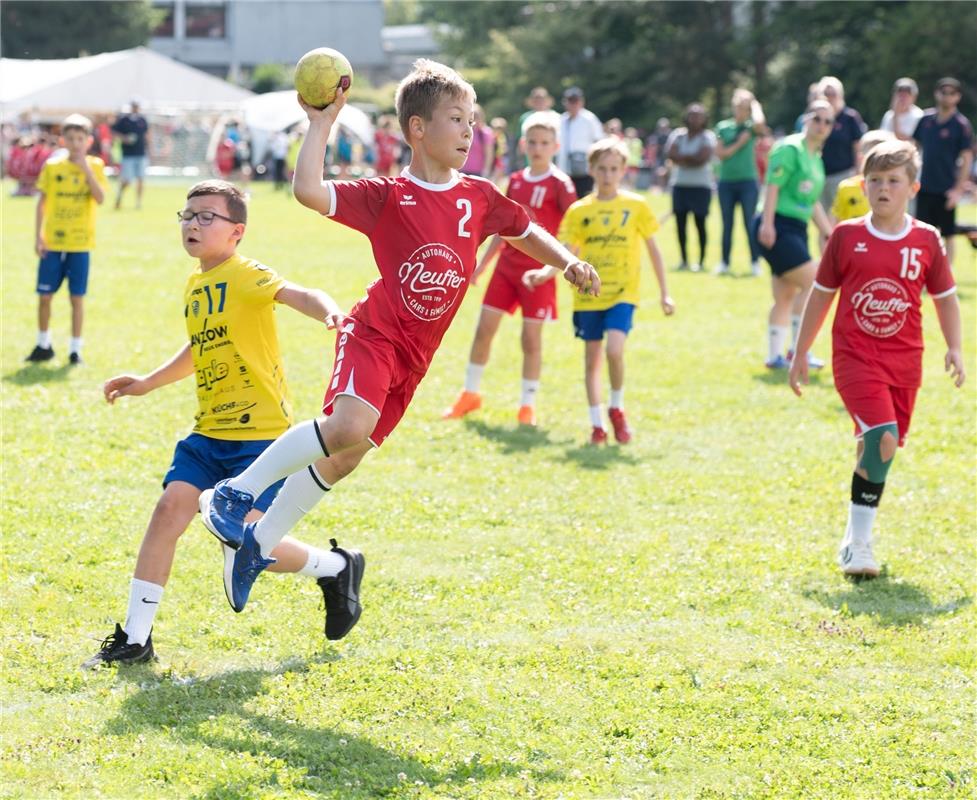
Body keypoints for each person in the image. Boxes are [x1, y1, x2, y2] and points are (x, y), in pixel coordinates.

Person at [200, 60, 600, 616]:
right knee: (347, 426)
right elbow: (310, 191)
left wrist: (567, 261)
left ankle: (257, 548)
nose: (468, 131)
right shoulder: (389, 195)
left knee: (346, 456)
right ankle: (234, 491)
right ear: (417, 129)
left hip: (417, 354)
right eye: (456, 119)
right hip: (375, 333)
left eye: (472, 120)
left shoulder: (478, 197)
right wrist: (322, 125)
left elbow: (524, 230)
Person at [81, 180, 352, 667]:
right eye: (187, 215)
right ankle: (136, 639)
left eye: (207, 217)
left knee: (250, 539)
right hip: (207, 433)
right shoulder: (196, 284)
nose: (192, 224)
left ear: (236, 232)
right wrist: (147, 382)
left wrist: (331, 313)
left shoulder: (246, 274)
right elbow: (199, 349)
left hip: (259, 436)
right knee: (168, 513)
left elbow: (300, 293)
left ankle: (334, 567)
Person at [788, 140, 964, 578]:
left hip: (905, 362)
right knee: (882, 439)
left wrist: (955, 346)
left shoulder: (926, 239)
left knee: (878, 447)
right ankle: (861, 547)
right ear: (863, 185)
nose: (883, 188)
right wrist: (801, 350)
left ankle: (851, 536)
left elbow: (945, 298)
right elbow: (821, 296)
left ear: (912, 187)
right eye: (875, 181)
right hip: (855, 357)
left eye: (893, 181)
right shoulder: (846, 236)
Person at [526, 137, 674, 445]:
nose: (608, 175)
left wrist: (665, 292)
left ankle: (617, 408)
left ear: (623, 171)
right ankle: (597, 424)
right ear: (591, 170)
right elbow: (566, 250)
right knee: (591, 359)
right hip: (587, 295)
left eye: (614, 169)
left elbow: (654, 251)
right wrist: (544, 273)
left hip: (623, 291)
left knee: (615, 350)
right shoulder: (580, 211)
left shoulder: (636, 206)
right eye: (602, 169)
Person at [442, 112, 577, 426]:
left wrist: (552, 270)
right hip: (506, 270)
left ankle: (527, 405)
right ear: (522, 144)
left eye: (544, 142)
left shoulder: (561, 184)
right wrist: (481, 266)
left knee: (530, 340)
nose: (538, 148)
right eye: (532, 142)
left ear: (555, 146)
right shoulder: (515, 181)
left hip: (538, 275)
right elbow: (504, 230)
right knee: (483, 331)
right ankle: (470, 394)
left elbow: (574, 233)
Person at [754, 99, 835, 370]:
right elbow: (772, 186)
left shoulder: (817, 158)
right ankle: (797, 352)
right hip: (777, 224)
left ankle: (775, 356)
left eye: (828, 121)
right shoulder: (790, 148)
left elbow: (812, 202)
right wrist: (767, 224)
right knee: (813, 283)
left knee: (786, 293)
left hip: (796, 228)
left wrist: (829, 233)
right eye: (817, 118)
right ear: (806, 119)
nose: (822, 125)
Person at [25, 115, 107, 365]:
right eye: (70, 138)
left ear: (89, 141)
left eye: (80, 139)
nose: (75, 143)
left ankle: (75, 349)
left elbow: (101, 198)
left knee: (76, 298)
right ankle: (43, 344)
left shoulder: (95, 165)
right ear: (63, 140)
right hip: (53, 242)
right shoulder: (53, 167)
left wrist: (85, 170)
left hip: (80, 243)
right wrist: (39, 235)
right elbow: (42, 202)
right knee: (45, 296)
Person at [913, 77, 975, 267]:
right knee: (921, 233)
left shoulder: (961, 124)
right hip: (924, 187)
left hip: (946, 189)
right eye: (943, 92)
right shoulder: (925, 120)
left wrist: (957, 190)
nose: (947, 97)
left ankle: (944, 278)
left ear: (957, 97)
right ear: (936, 94)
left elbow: (966, 159)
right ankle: (921, 272)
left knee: (948, 234)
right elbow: (913, 148)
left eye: (951, 93)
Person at [714, 89, 765, 276]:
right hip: (726, 182)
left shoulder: (751, 127)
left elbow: (760, 124)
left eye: (745, 108)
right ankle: (724, 262)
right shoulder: (723, 127)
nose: (741, 112)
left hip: (748, 182)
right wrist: (739, 143)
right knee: (727, 224)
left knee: (749, 223)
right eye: (738, 107)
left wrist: (755, 105)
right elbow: (720, 153)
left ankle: (755, 262)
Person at [666, 103, 716, 272]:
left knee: (700, 224)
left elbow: (703, 158)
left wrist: (683, 158)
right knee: (680, 224)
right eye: (692, 115)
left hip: (701, 187)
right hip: (680, 186)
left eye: (698, 115)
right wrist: (690, 158)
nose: (695, 119)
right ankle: (684, 260)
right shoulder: (678, 135)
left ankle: (701, 261)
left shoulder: (707, 137)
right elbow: (671, 154)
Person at [817, 77, 867, 214]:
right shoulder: (817, 118)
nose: (829, 97)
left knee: (841, 215)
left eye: (833, 94)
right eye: (826, 94)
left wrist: (858, 172)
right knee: (822, 216)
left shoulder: (849, 117)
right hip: (820, 174)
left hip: (843, 174)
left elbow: (858, 147)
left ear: (840, 95)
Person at [830, 130, 895, 223]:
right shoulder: (846, 187)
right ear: (861, 158)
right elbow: (837, 222)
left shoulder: (896, 188)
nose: (879, 164)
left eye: (886, 158)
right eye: (873, 158)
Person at [557, 86, 604, 197]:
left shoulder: (589, 119)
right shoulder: (561, 119)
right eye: (570, 101)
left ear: (581, 102)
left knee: (584, 197)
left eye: (575, 101)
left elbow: (599, 141)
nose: (573, 104)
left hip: (584, 169)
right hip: (564, 168)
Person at [112, 99, 150, 210]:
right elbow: (114, 132)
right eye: (134, 106)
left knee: (141, 179)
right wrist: (124, 138)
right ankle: (119, 196)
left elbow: (147, 134)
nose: (136, 108)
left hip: (141, 154)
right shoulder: (123, 120)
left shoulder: (143, 120)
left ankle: (138, 203)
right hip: (128, 155)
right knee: (127, 180)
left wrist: (150, 149)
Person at [460, 104, 495, 178]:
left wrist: (486, 170)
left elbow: (489, 154)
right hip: (461, 171)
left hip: (478, 173)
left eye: (476, 117)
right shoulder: (462, 131)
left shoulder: (485, 133)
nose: (474, 119)